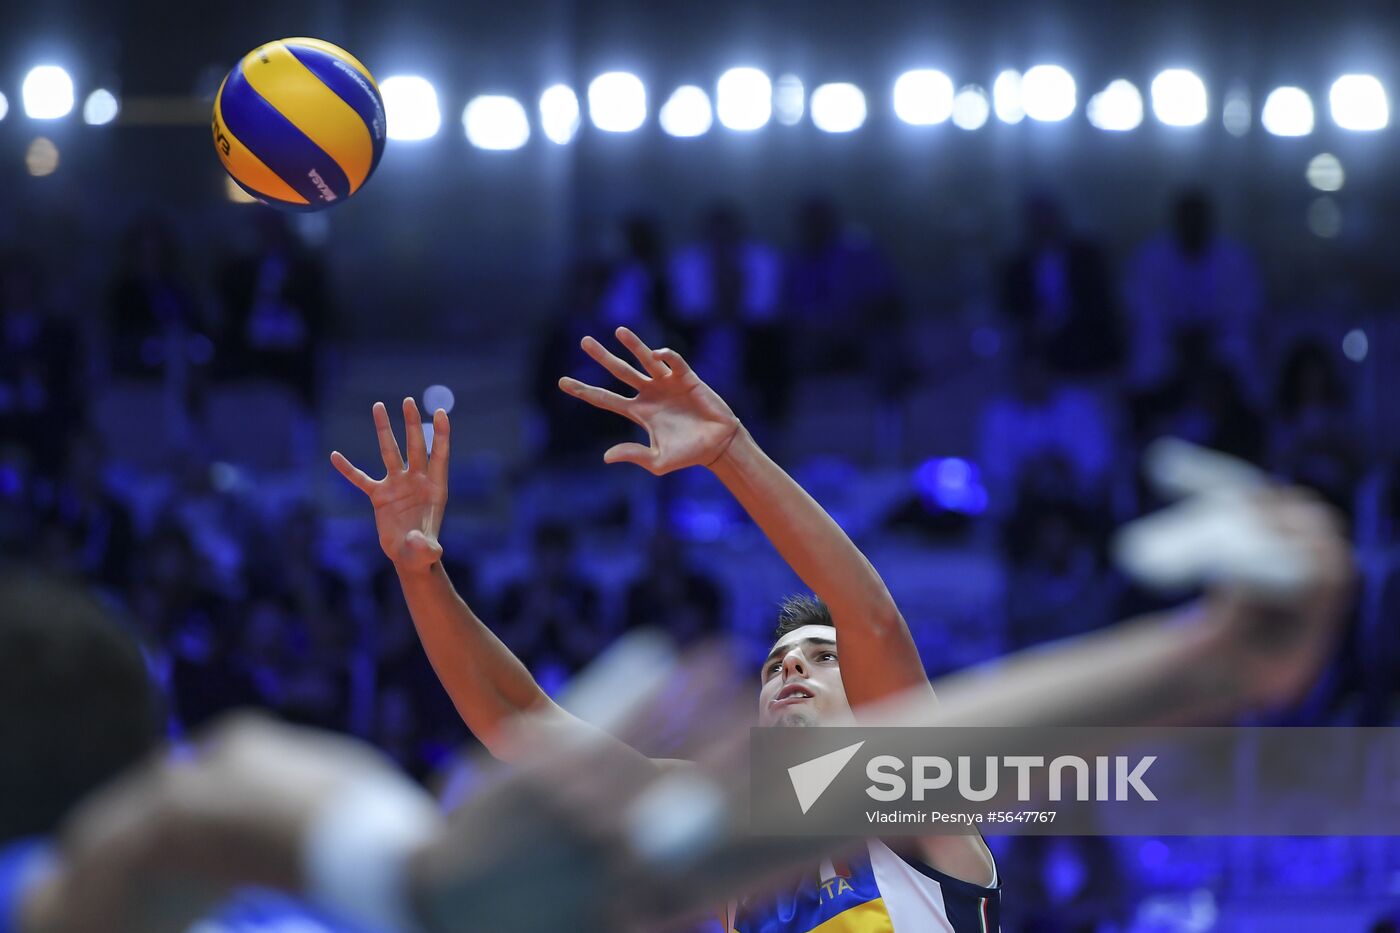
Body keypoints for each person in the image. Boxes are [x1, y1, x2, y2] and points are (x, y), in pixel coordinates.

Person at [331, 328, 1355, 933]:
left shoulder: (907, 813)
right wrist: (420, 571)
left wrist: (732, 454)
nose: (788, 674)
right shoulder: (704, 824)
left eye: (814, 665)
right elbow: (521, 721)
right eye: (777, 660)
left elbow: (865, 614)